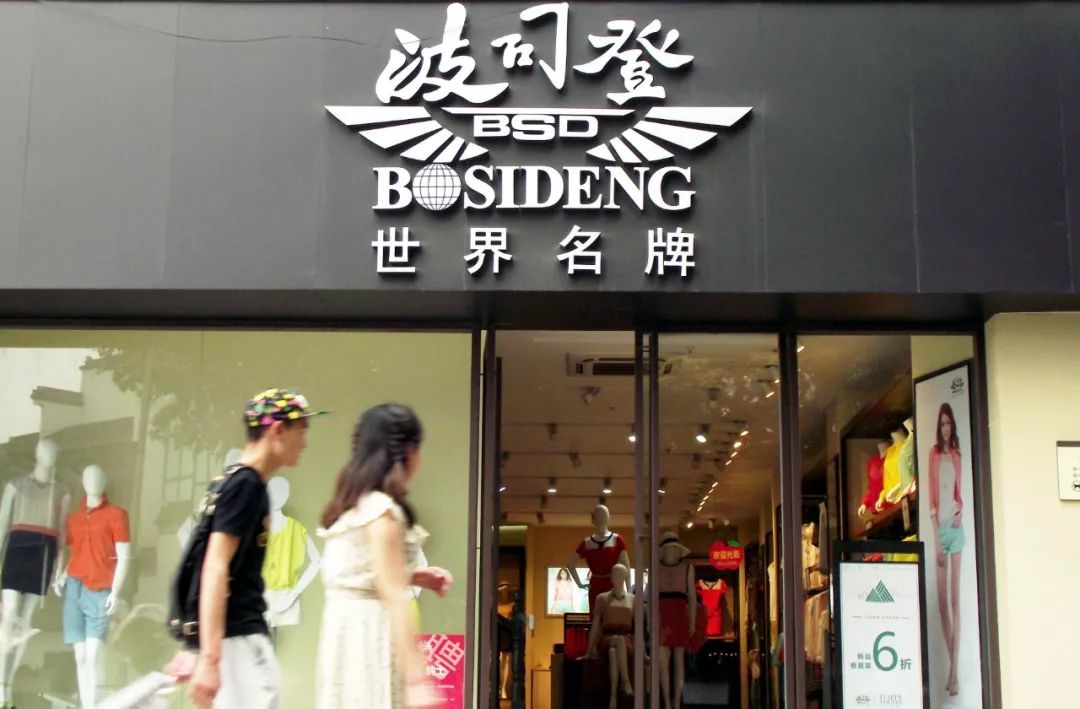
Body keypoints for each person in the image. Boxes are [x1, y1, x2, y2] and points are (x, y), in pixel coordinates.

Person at [165, 388, 325, 708]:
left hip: (231, 638)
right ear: (277, 430)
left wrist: (196, 646)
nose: (305, 442)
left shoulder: (233, 482)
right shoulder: (247, 486)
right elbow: (215, 566)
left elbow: (204, 561)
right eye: (301, 430)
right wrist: (208, 658)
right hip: (238, 639)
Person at [316, 404, 453, 708]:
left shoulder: (349, 507)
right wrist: (417, 676)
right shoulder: (381, 510)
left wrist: (412, 576)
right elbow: (391, 592)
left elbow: (362, 572)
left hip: (342, 633)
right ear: (408, 452)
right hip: (370, 634)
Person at [928, 402, 964, 697]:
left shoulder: (956, 455)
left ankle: (954, 673)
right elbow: (932, 497)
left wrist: (960, 510)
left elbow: (957, 493)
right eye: (942, 424)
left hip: (955, 527)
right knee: (941, 601)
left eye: (948, 423)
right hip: (940, 528)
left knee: (954, 599)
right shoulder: (934, 455)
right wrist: (937, 540)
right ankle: (953, 666)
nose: (945, 428)